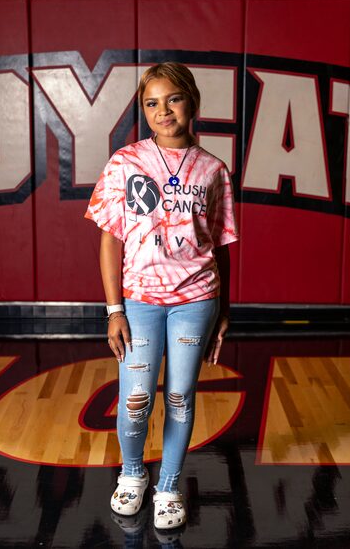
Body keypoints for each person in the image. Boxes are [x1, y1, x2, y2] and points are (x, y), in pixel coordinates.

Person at [84, 62, 239, 530]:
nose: (162, 111)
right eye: (151, 103)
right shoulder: (125, 163)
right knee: (136, 398)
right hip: (140, 300)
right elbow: (110, 239)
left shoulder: (214, 169)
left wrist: (225, 308)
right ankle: (133, 476)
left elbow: (220, 243)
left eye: (172, 99)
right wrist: (114, 309)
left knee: (179, 395)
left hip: (197, 300)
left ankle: (168, 485)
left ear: (191, 101)